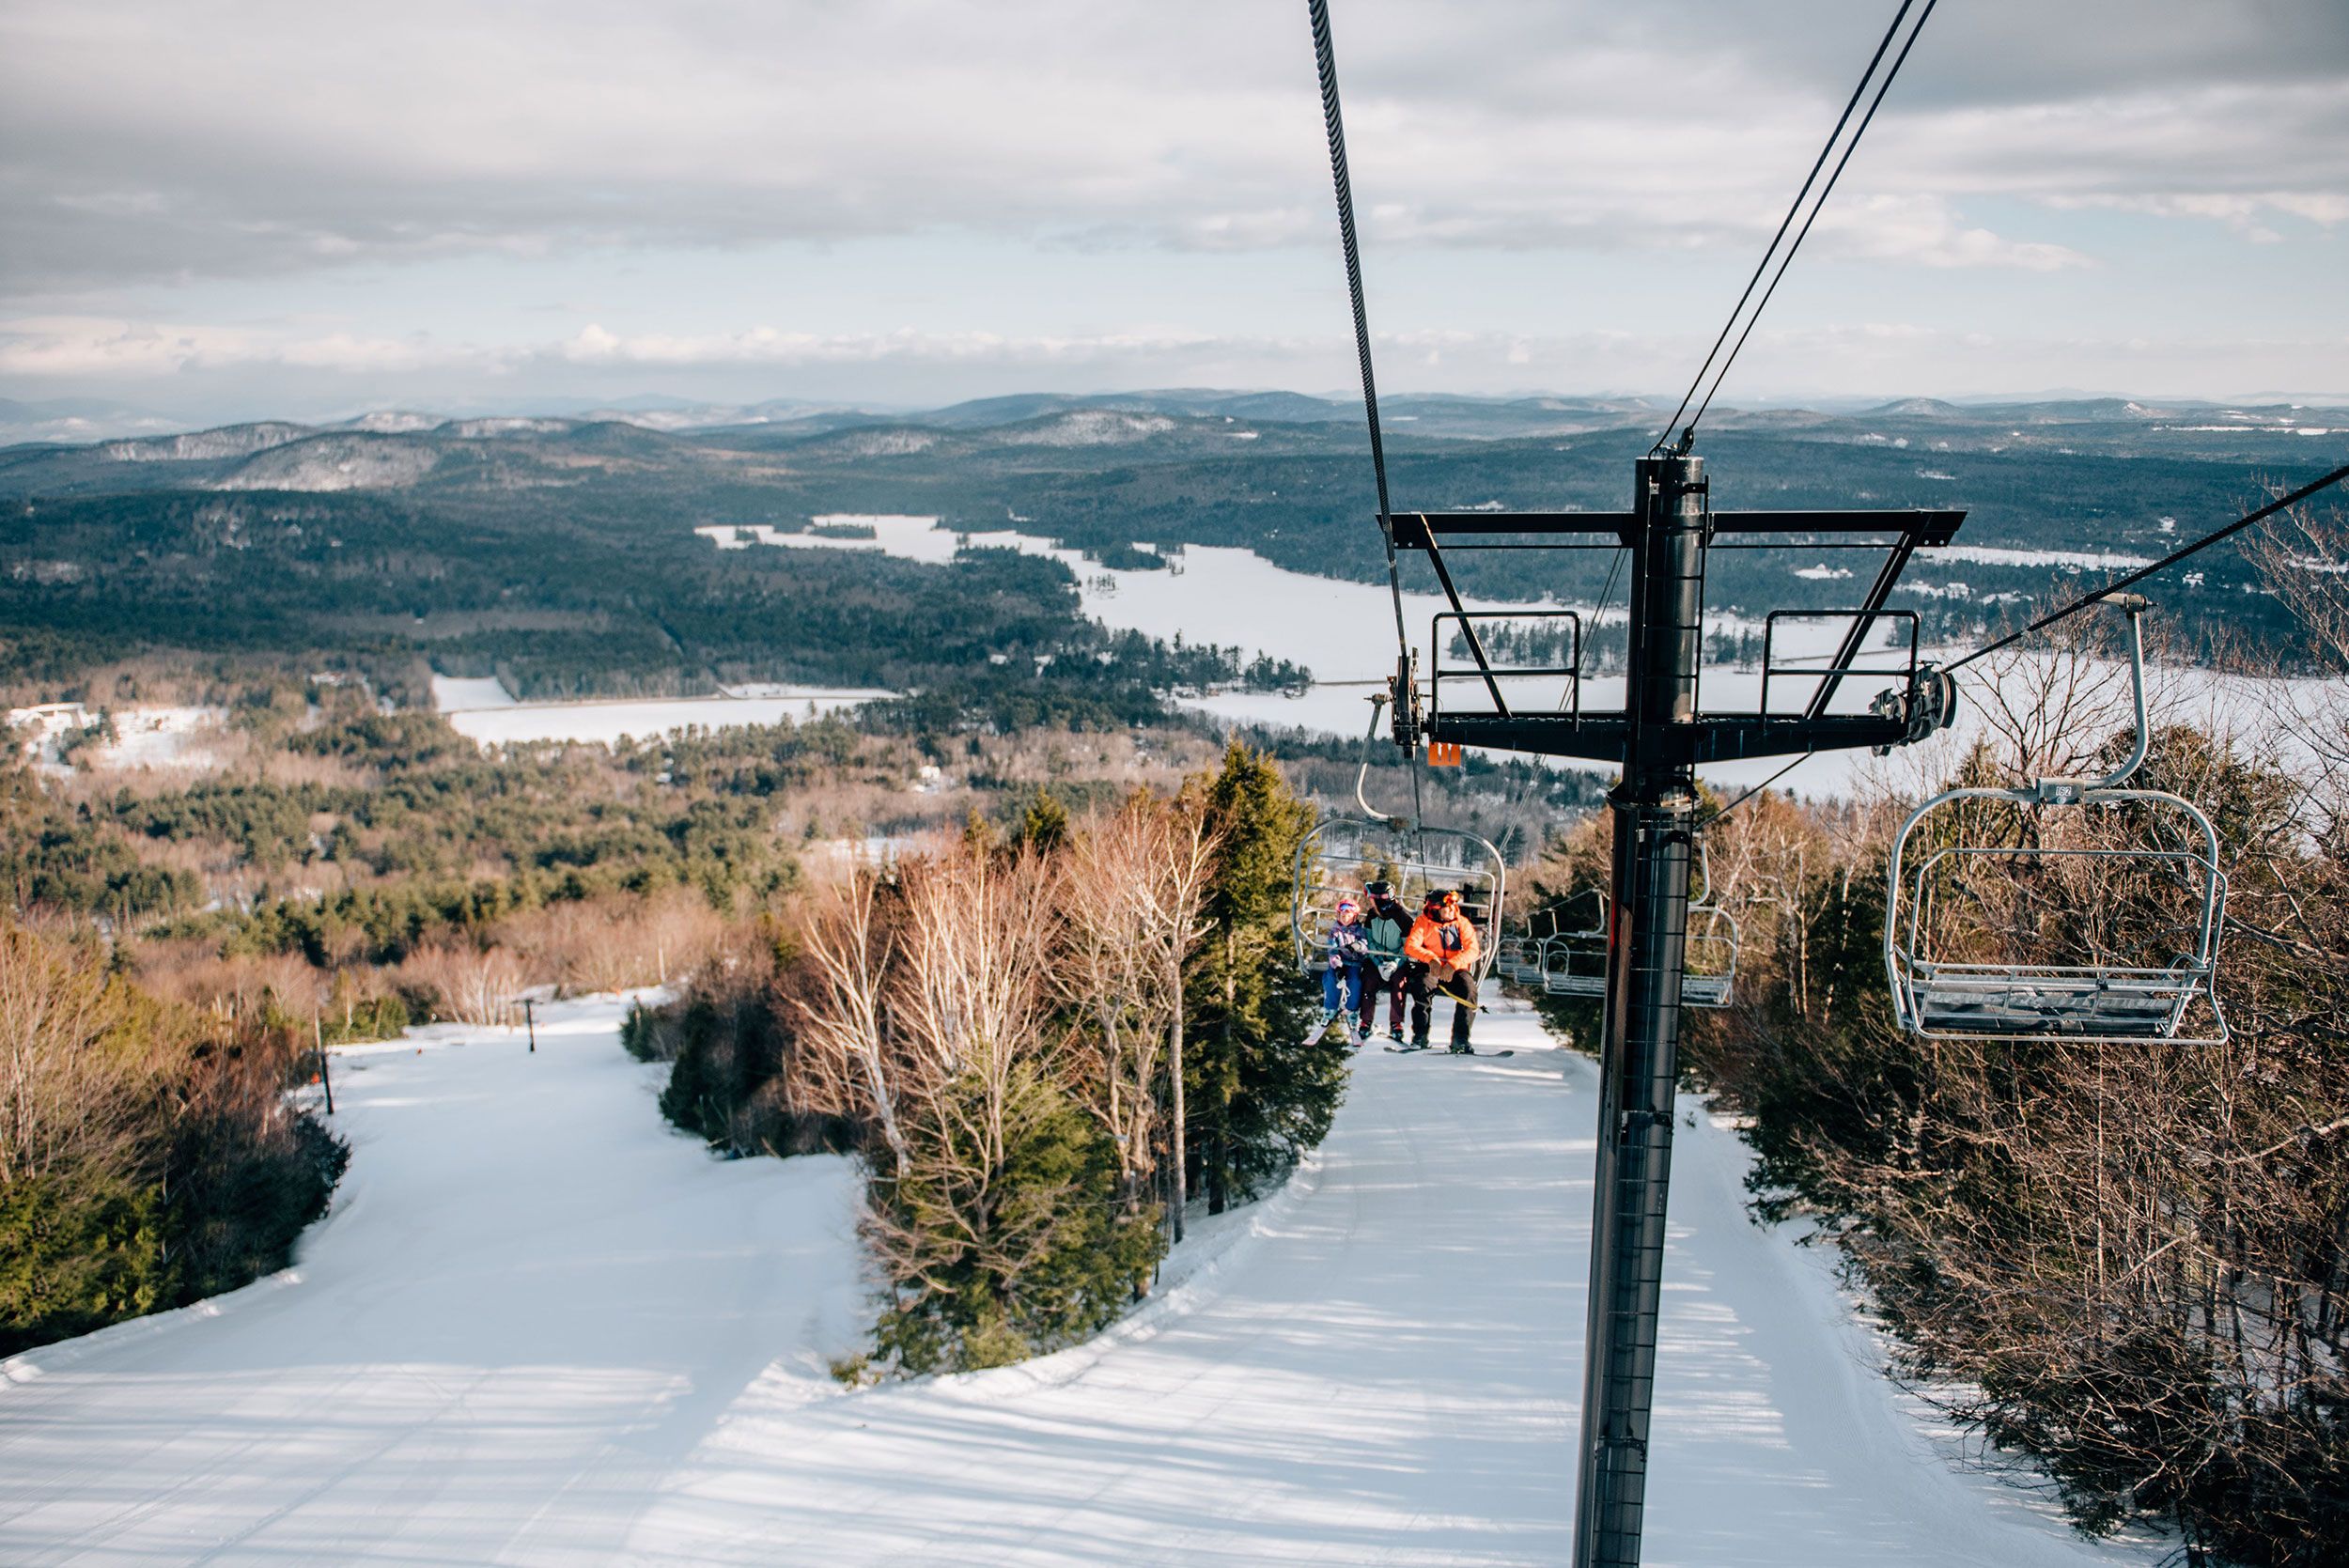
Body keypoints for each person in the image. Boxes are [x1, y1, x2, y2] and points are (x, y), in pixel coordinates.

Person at [1402, 888, 1482, 1052]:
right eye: (1448, 907)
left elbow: (1472, 949)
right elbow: (1411, 946)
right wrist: (1431, 959)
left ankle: (1461, 1038)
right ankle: (1420, 1036)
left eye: (1453, 906)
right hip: (1430, 968)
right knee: (1422, 987)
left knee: (1469, 990)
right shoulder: (1423, 922)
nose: (1453, 910)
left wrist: (1453, 964)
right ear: (1436, 909)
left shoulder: (1461, 923)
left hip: (1455, 968)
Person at [1312, 893, 1377, 1048]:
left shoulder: (1359, 930)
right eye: (1342, 915)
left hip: (1354, 963)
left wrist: (1357, 946)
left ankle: (1352, 1010)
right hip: (1339, 962)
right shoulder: (1335, 931)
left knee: (1354, 981)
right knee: (1330, 978)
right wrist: (1337, 965)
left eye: (1348, 915)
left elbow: (1365, 945)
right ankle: (1330, 1008)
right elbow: (1332, 950)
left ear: (1354, 916)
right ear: (1338, 915)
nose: (1345, 918)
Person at [1359, 878, 1414, 1043]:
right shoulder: (1371, 915)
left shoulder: (1403, 918)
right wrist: (1377, 962)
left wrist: (1394, 963)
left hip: (1397, 961)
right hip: (1375, 958)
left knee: (1399, 982)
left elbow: (1406, 947)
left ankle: (1396, 1023)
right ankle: (1365, 1021)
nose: (1376, 904)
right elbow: (1369, 941)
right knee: (1368, 980)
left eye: (1379, 899)